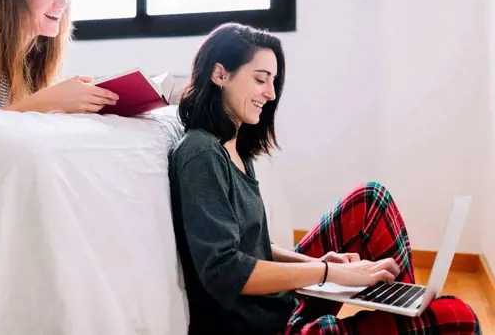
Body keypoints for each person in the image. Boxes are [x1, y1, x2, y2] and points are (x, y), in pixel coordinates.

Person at [168, 22, 480, 334]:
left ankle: (406, 311)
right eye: (261, 79)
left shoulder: (236, 147)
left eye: (273, 81)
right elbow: (224, 270)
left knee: (370, 200)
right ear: (220, 74)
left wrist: (315, 265)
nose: (271, 92)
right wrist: (329, 273)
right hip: (260, 327)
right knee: (459, 316)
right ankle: (412, 322)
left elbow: (254, 244)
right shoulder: (201, 154)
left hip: (278, 306)